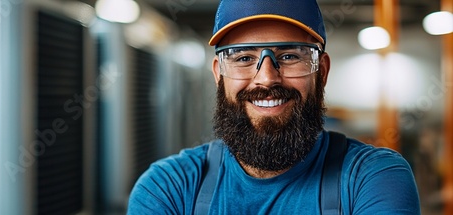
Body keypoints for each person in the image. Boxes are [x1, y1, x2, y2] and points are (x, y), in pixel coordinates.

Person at [127, 0, 421, 214]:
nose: (266, 78)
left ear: (322, 72)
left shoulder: (371, 179)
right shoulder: (169, 189)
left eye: (291, 55)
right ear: (218, 74)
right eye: (243, 58)